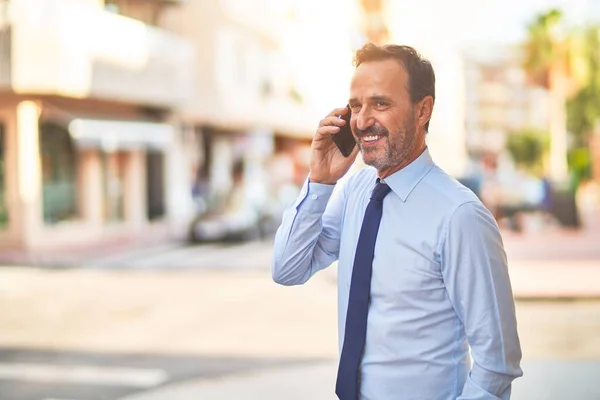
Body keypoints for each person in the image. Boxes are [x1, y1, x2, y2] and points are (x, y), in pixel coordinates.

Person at [271, 43, 522, 400]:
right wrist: (320, 181)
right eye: (355, 106)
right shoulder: (355, 190)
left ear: (423, 110)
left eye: (380, 103)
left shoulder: (460, 216)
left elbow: (497, 363)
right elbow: (287, 269)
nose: (361, 121)